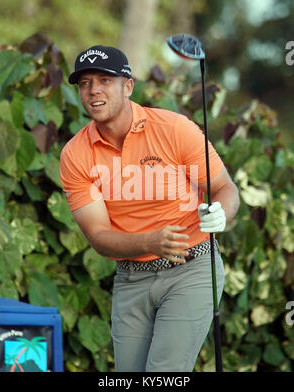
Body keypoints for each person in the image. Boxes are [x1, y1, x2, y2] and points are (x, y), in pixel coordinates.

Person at [59, 44, 240, 372]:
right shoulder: (75, 154)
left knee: (164, 373)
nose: (93, 90)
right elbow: (99, 236)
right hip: (131, 278)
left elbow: (226, 189)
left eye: (104, 80)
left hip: (192, 268)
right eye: (85, 83)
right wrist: (150, 242)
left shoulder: (174, 129)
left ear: (128, 86)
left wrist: (221, 214)